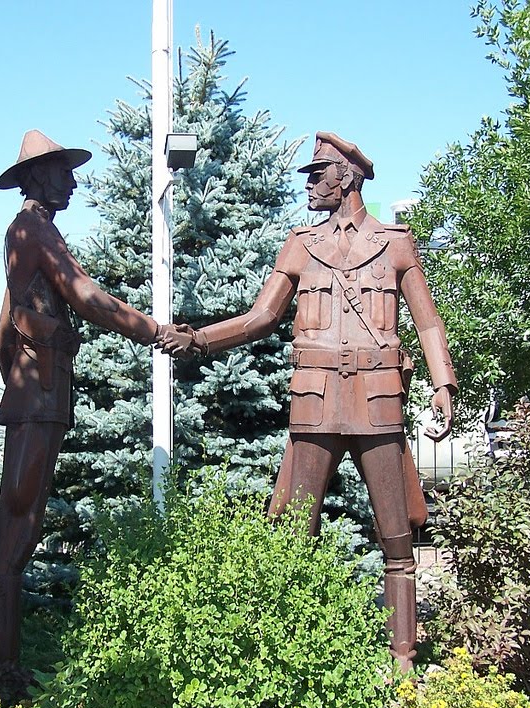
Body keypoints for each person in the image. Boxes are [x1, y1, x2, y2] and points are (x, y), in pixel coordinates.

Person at [166, 132, 457, 671]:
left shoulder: (395, 244)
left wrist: (443, 383)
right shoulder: (301, 244)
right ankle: (291, 659)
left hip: (378, 402)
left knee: (397, 539)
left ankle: (404, 663)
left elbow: (427, 319)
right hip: (315, 401)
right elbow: (259, 318)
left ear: (346, 177)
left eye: (317, 173)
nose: (309, 184)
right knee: (294, 536)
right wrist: (199, 339)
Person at [0, 130, 192, 667]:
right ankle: (1, 675)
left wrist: (18, 367)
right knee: (18, 523)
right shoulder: (32, 229)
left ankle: (3, 667)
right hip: (39, 394)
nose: (72, 181)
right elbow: (86, 295)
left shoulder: (31, 231)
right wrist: (152, 330)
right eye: (62, 172)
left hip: (39, 388)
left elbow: (4, 326)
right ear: (37, 177)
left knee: (21, 521)